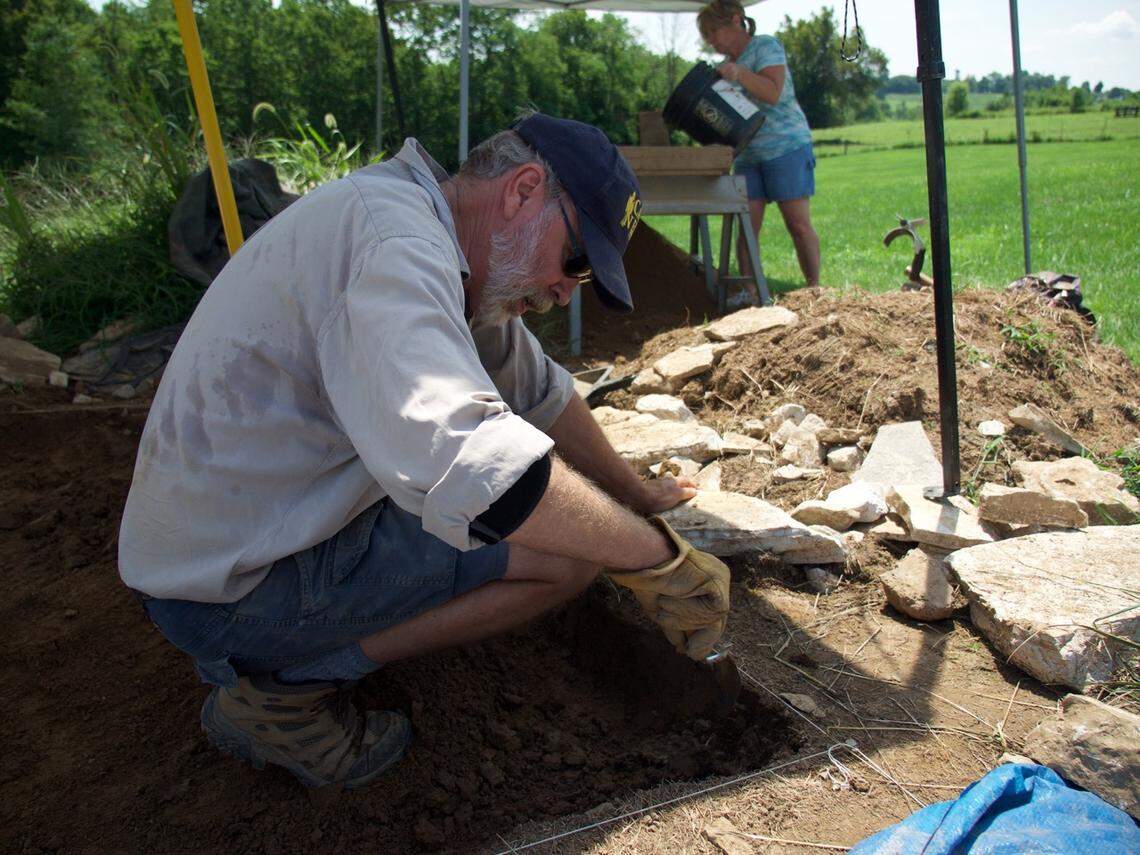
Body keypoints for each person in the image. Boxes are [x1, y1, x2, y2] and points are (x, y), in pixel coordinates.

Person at [118, 113, 731, 790]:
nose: (564, 290)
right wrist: (655, 558)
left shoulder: (443, 241)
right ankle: (282, 692)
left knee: (582, 526)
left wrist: (638, 498)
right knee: (568, 554)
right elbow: (476, 467)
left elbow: (539, 394)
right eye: (575, 260)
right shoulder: (397, 250)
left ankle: (297, 655)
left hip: (237, 536)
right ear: (523, 189)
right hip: (226, 589)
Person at [698, 0, 821, 302]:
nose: (711, 41)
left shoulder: (765, 47)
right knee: (747, 228)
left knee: (798, 224)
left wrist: (738, 74)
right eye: (707, 36)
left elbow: (773, 92)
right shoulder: (726, 66)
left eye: (713, 32)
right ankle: (750, 293)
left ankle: (814, 290)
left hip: (786, 147)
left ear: (736, 21)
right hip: (748, 155)